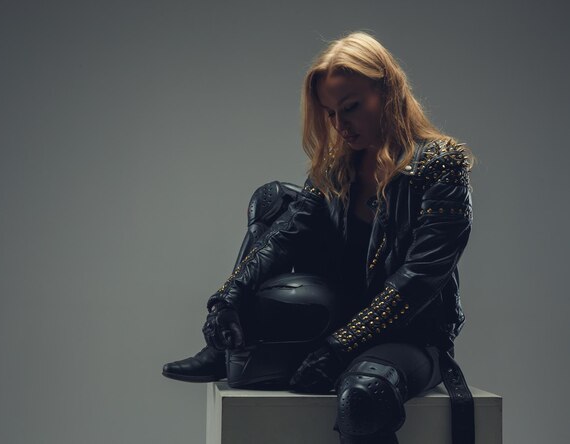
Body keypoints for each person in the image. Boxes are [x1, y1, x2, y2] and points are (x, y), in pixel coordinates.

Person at [163, 30, 476, 444]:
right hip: (337, 312)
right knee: (275, 199)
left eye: (350, 107)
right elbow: (286, 236)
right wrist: (227, 297)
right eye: (330, 113)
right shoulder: (336, 166)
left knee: (363, 398)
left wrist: (339, 348)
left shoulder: (441, 165)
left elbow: (418, 279)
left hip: (409, 335)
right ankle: (224, 346)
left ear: (388, 92)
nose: (340, 125)